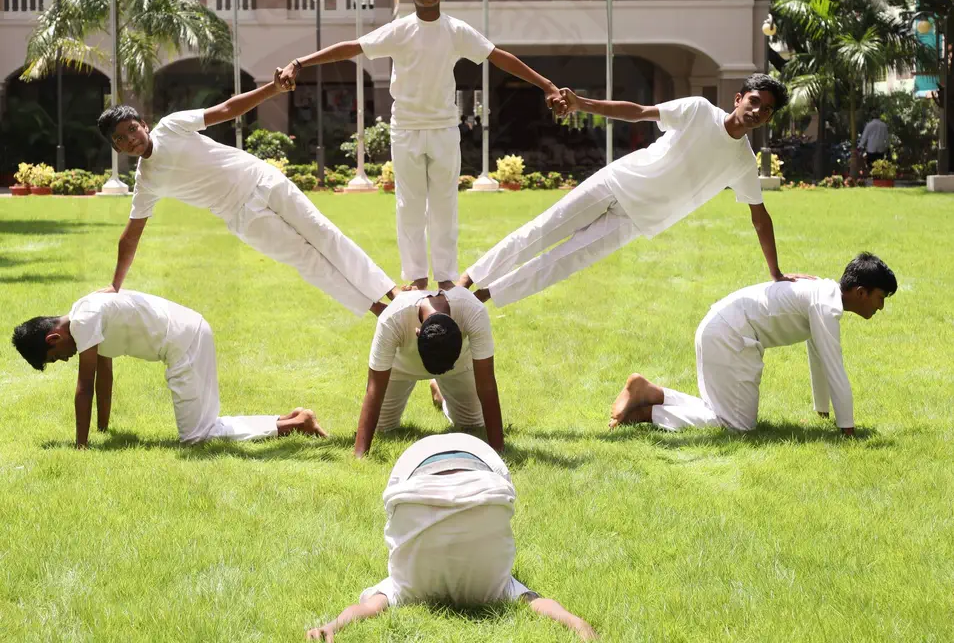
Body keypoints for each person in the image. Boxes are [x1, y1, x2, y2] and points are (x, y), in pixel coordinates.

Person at [280, 0, 566, 291]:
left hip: (444, 129)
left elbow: (499, 57)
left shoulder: (456, 30)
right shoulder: (399, 30)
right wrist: (299, 63)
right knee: (409, 206)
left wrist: (547, 85)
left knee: (445, 206)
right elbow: (351, 48)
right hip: (406, 130)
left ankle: (445, 278)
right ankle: (416, 278)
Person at [458, 74, 805, 307]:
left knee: (559, 264)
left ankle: (478, 300)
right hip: (615, 183)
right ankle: (466, 280)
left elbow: (760, 217)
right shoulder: (699, 110)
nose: (757, 112)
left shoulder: (743, 162)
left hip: (635, 220)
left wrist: (775, 273)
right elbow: (639, 113)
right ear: (739, 98)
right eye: (754, 102)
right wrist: (582, 104)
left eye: (767, 110)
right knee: (541, 230)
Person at [97, 70, 397, 318]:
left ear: (144, 125)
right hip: (244, 218)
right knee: (307, 260)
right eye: (121, 138)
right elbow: (131, 235)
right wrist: (115, 285)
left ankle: (392, 292)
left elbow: (227, 110)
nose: (131, 138)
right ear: (116, 148)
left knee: (323, 232)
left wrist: (273, 88)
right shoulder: (146, 181)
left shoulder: (170, 126)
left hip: (262, 179)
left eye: (132, 128)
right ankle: (379, 309)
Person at [306, 433, 597, 641]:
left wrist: (333, 625)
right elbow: (536, 602)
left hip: (443, 481)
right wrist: (576, 623)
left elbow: (369, 607)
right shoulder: (493, 586)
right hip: (470, 483)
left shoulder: (407, 586)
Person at [608, 252, 897, 436]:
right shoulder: (825, 304)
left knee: (720, 414)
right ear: (861, 292)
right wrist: (847, 431)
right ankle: (647, 412)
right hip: (730, 336)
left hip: (722, 328)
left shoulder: (823, 295)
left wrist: (823, 411)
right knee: (735, 427)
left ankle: (649, 392)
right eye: (880, 298)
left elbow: (819, 356)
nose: (880, 307)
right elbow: (835, 368)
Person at [11, 290, 327, 447]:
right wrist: (102, 430)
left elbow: (86, 386)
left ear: (54, 338)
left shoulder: (84, 321)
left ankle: (295, 425)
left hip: (183, 342)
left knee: (196, 438)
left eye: (57, 357)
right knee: (204, 429)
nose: (65, 360)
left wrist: (81, 447)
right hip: (188, 332)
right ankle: (291, 420)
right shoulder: (85, 310)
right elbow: (104, 376)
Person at [354, 286, 502, 458]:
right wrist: (359, 456)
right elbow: (374, 389)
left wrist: (498, 451)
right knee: (383, 427)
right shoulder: (392, 318)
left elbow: (487, 386)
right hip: (401, 365)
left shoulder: (473, 311)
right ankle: (439, 389)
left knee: (472, 424)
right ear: (417, 332)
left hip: (457, 365)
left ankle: (441, 395)